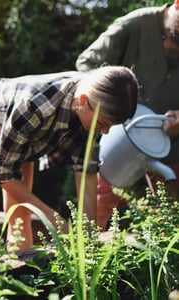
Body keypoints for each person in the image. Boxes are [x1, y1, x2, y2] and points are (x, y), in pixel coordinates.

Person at [0, 65, 139, 254]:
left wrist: (89, 234)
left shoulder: (92, 102)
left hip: (27, 137)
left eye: (110, 126)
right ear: (83, 101)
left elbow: (86, 172)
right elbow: (5, 177)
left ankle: (17, 270)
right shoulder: (34, 106)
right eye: (102, 124)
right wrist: (55, 221)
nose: (106, 131)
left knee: (21, 213)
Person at [76, 1, 179, 229]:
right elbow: (85, 66)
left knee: (171, 219)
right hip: (118, 139)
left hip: (172, 145)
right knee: (99, 208)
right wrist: (114, 108)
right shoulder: (134, 25)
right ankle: (89, 260)